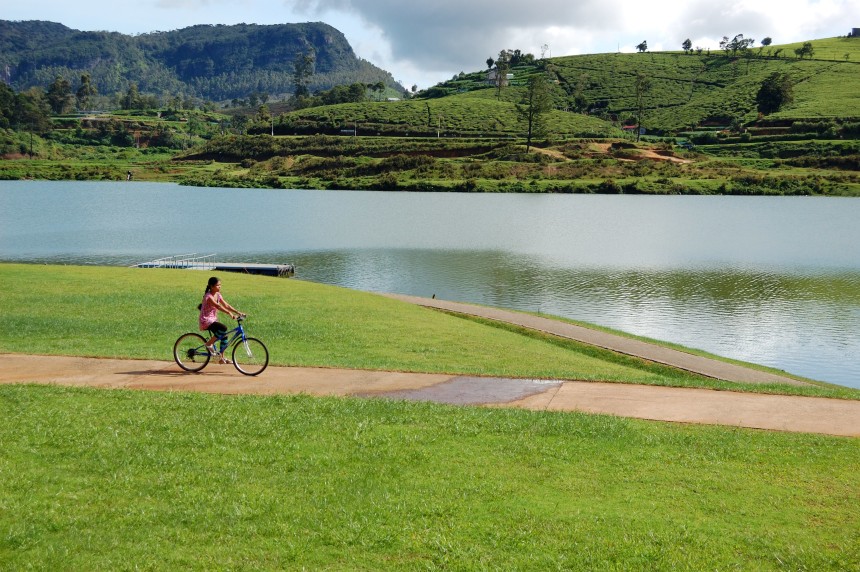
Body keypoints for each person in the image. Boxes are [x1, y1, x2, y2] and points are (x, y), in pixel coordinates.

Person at [198, 276, 242, 364]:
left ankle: (221, 358)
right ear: (211, 286)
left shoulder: (218, 295)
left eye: (220, 285)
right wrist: (229, 313)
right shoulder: (208, 296)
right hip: (206, 320)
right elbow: (218, 306)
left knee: (224, 336)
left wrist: (238, 312)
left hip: (213, 320)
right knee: (224, 328)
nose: (220, 287)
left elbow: (226, 305)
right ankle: (208, 344)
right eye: (218, 285)